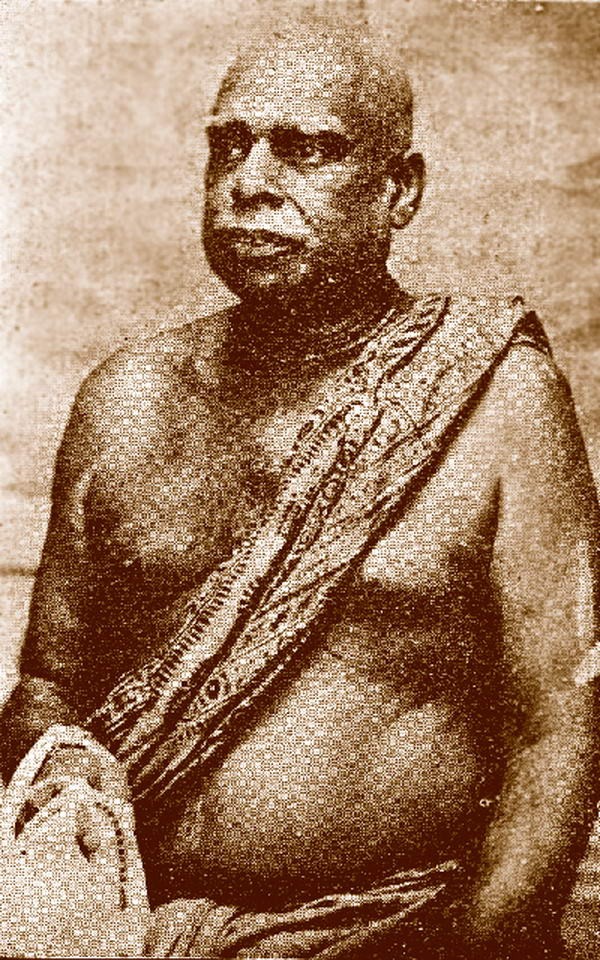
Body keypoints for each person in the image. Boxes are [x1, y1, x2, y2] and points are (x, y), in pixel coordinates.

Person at [0, 15, 599, 960]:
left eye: (306, 149)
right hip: (131, 935)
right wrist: (62, 778)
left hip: (397, 930)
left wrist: (483, 944)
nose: (250, 182)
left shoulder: (501, 400)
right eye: (228, 145)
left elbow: (559, 724)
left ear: (399, 191)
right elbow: (49, 685)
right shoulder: (125, 398)